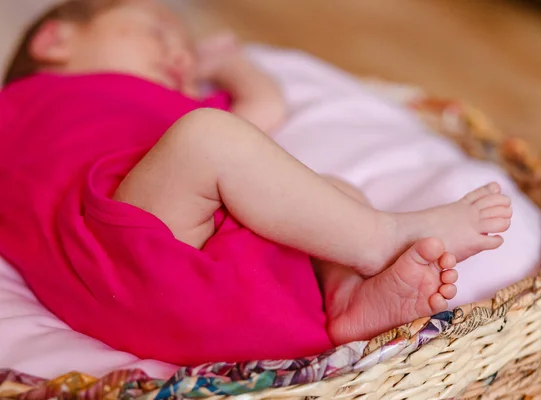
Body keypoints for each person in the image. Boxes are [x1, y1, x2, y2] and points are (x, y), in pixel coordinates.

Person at [0, 0, 512, 364]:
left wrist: (231, 64)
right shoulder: (20, 105)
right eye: (158, 30)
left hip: (198, 262)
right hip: (113, 247)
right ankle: (381, 238)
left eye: (184, 52)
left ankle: (345, 297)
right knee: (207, 139)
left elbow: (263, 109)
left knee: (327, 187)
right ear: (55, 39)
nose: (181, 57)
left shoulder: (175, 107)